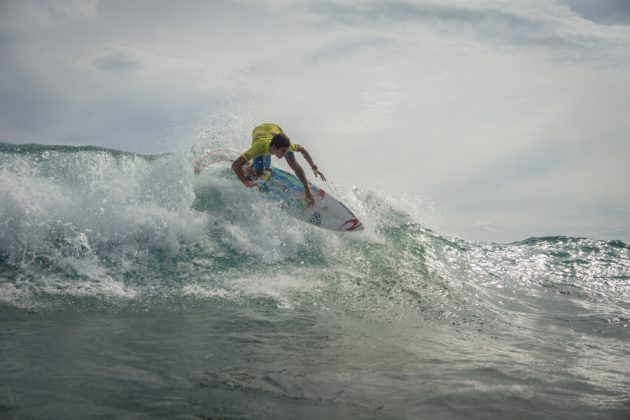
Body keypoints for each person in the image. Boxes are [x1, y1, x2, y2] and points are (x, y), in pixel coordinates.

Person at [231, 123, 326, 207]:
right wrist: (245, 182)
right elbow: (235, 165)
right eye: (283, 151)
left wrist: (314, 168)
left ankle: (257, 167)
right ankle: (250, 167)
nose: (285, 153)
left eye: (286, 150)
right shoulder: (258, 148)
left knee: (293, 163)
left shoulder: (286, 147)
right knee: (259, 174)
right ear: (274, 148)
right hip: (259, 132)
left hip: (276, 129)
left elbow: (302, 149)